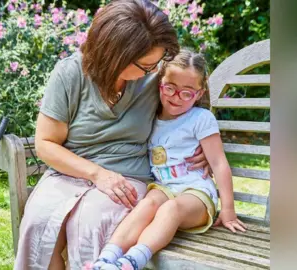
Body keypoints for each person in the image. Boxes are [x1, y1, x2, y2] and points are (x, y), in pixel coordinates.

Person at [14, 1, 212, 269]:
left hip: (128, 176)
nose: (152, 72)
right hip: (68, 173)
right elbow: (46, 144)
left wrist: (203, 148)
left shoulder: (155, 77)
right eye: (144, 65)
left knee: (93, 223)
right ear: (114, 55)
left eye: (156, 63)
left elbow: (194, 96)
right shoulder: (70, 74)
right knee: (39, 223)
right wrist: (97, 174)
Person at [90, 49, 247, 270]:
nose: (175, 97)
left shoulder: (201, 118)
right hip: (163, 187)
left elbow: (219, 163)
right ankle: (105, 260)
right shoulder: (150, 117)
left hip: (196, 193)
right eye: (170, 88)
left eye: (186, 93)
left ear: (199, 94)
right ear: (159, 84)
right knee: (147, 204)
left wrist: (228, 209)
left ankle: (131, 262)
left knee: (170, 209)